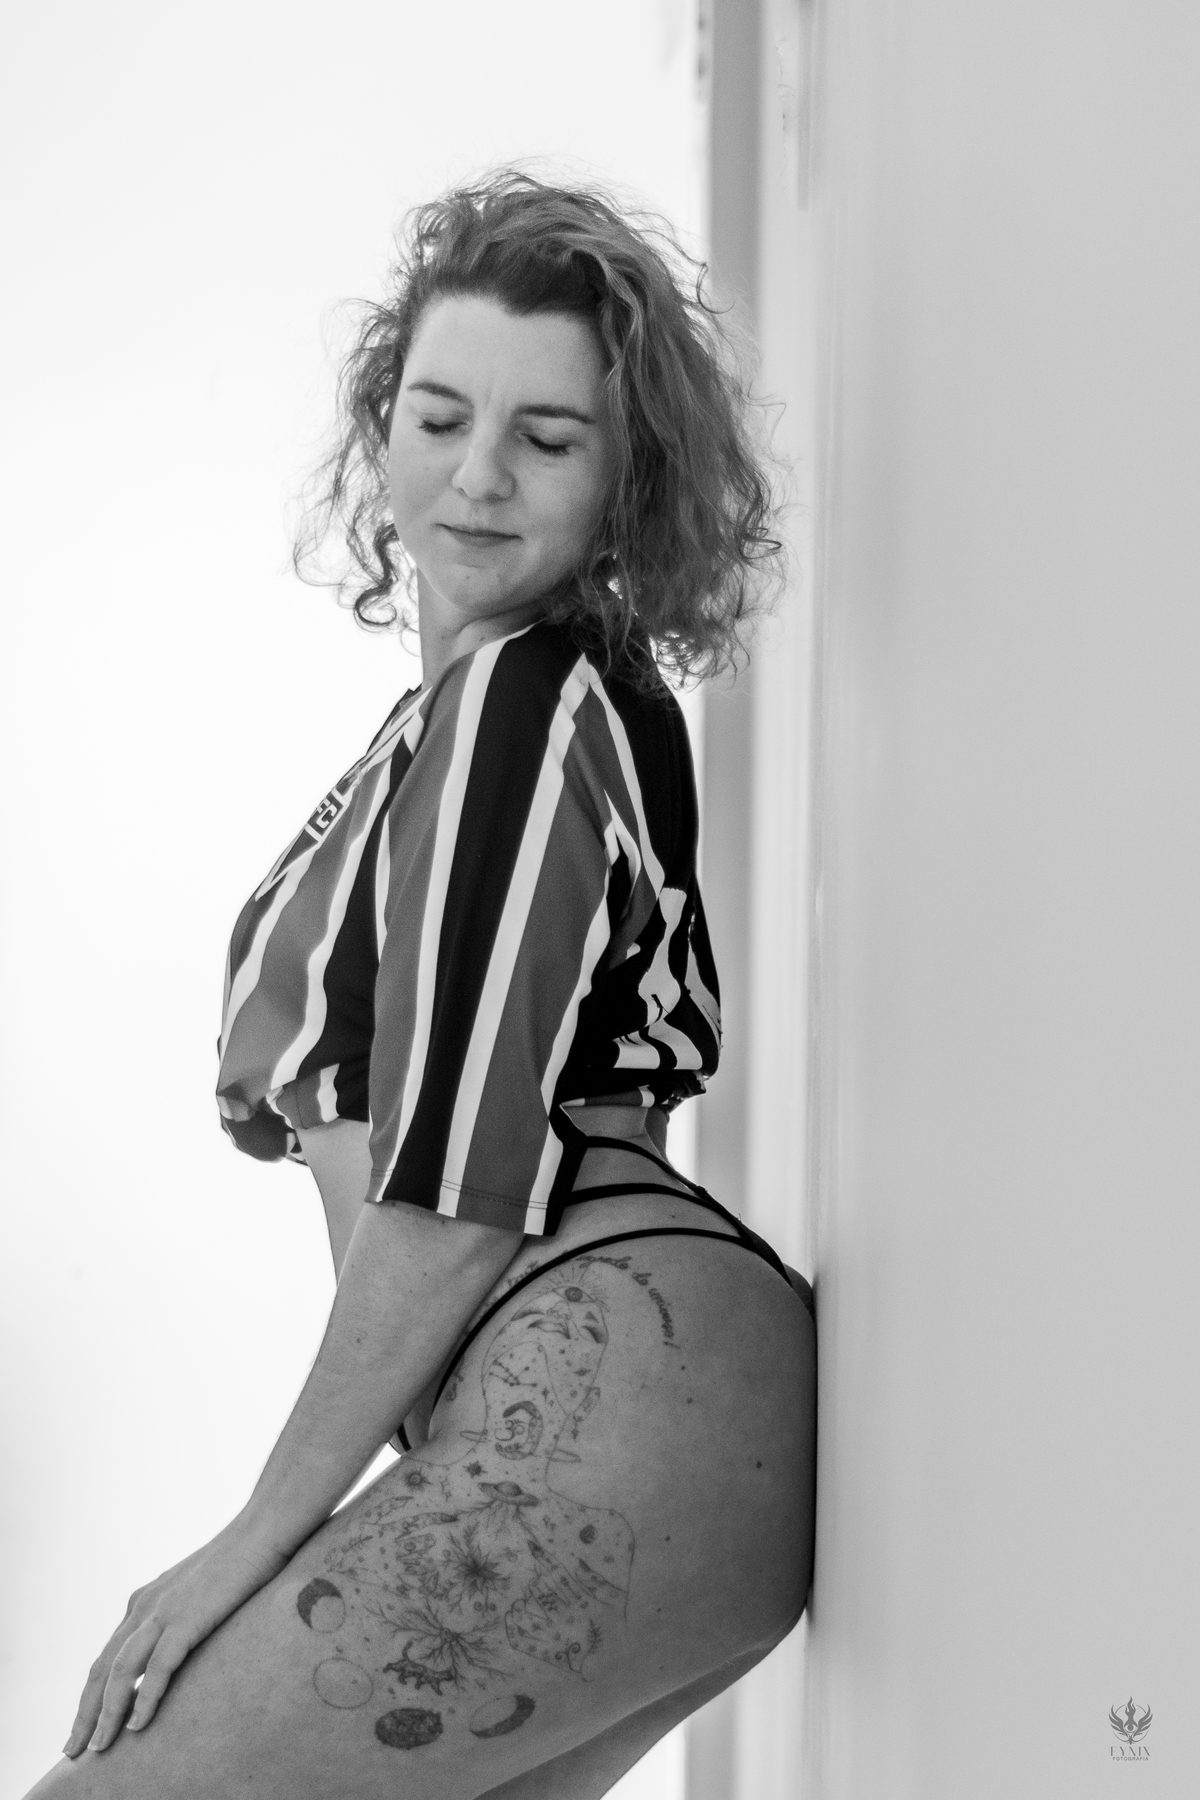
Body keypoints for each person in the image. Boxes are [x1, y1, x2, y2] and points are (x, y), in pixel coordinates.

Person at [27, 169, 816, 1800]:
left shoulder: (532, 705)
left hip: (602, 1379)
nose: (478, 474)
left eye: (549, 438)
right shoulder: (483, 722)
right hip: (621, 1390)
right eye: (442, 416)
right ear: (380, 427)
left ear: (625, 480)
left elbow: (463, 1183)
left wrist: (257, 1535)